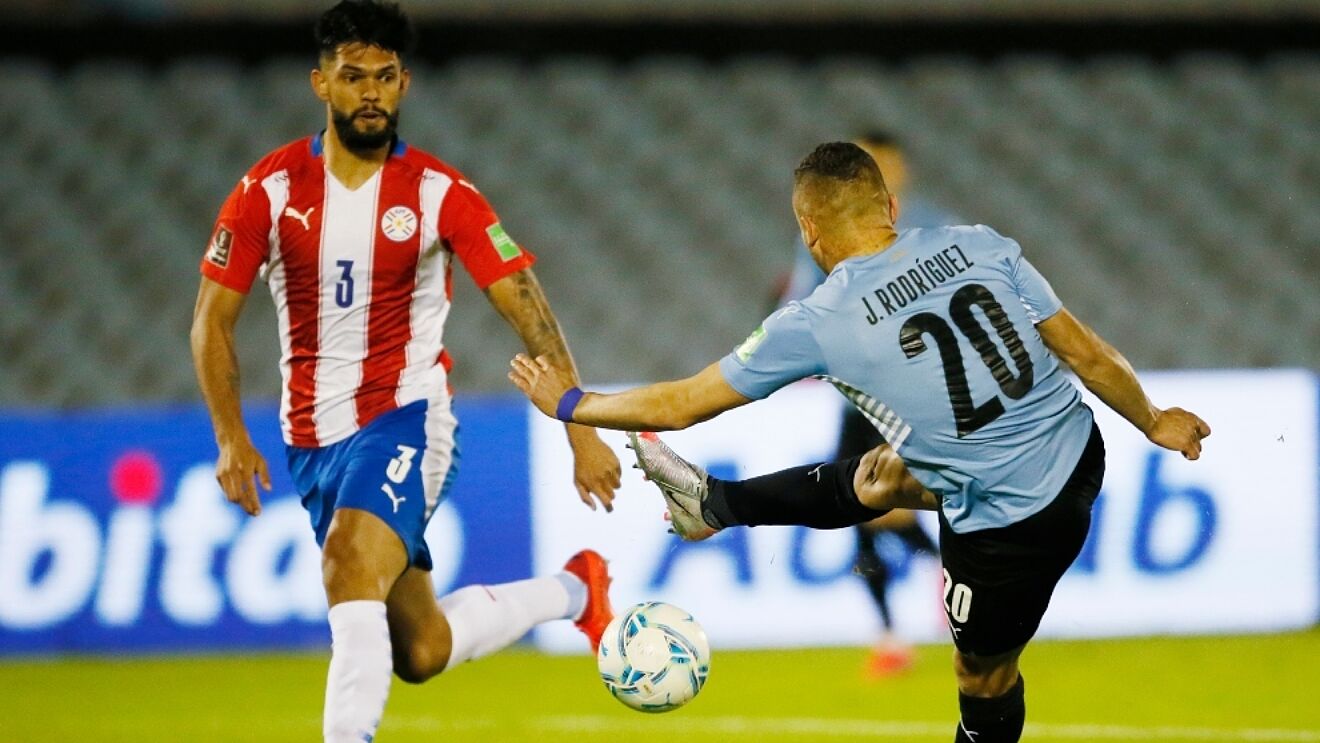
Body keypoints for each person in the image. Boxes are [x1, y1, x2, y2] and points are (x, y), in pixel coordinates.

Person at [509, 142, 1210, 743]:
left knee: (982, 676)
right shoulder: (978, 243)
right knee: (881, 475)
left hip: (1009, 525)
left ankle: (715, 507)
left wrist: (572, 402)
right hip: (1080, 452)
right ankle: (713, 504)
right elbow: (1086, 354)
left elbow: (685, 402)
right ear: (892, 208)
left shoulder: (818, 319)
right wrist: (1153, 418)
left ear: (809, 233)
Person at [189, 3, 621, 741]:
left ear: (404, 84)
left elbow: (525, 303)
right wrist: (231, 436)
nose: (369, 93)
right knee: (419, 650)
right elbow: (211, 322)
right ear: (320, 82)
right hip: (311, 442)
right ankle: (576, 588)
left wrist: (580, 422)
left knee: (349, 564)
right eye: (352, 77)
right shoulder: (269, 190)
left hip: (407, 419)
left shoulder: (439, 193)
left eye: (384, 77)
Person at [779, 131, 956, 679]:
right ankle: (895, 629)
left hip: (922, 396)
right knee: (857, 507)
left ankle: (947, 579)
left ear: (897, 175)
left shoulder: (933, 227)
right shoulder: (824, 234)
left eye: (881, 164)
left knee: (883, 501)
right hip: (861, 399)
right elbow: (801, 300)